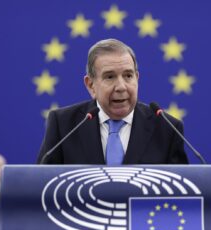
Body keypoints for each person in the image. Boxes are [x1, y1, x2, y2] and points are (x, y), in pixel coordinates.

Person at [37, 38, 188, 165]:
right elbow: (40, 187)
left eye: (128, 76)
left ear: (137, 78)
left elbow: (182, 193)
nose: (121, 87)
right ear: (91, 85)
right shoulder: (63, 125)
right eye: (110, 77)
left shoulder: (167, 128)